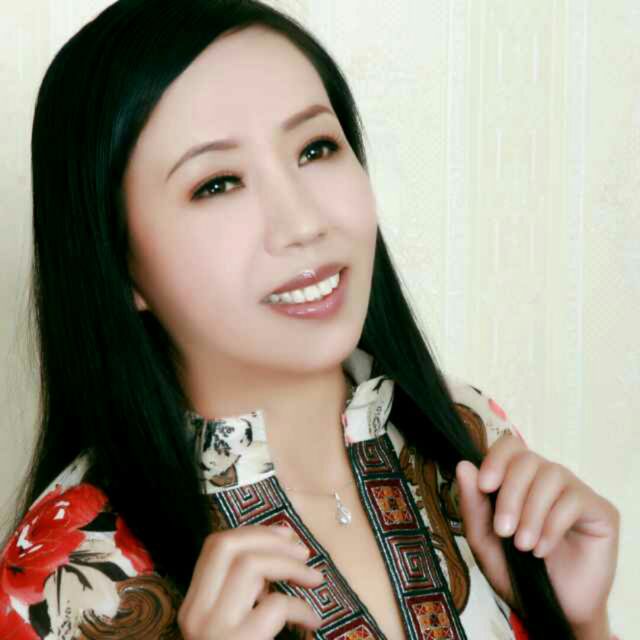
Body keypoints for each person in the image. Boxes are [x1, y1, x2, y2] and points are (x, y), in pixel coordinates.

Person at [0, 1, 620, 638]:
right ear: (118, 264)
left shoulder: (466, 433)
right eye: (217, 183)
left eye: (316, 148)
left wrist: (581, 621)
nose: (304, 222)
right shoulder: (62, 585)